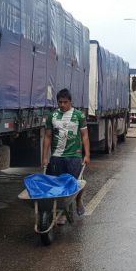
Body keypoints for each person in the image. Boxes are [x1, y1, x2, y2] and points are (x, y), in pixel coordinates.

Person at [42, 88, 90, 221]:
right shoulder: (52, 116)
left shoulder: (79, 115)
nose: (62, 105)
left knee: (77, 183)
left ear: (70, 102)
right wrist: (44, 157)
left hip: (74, 156)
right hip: (57, 157)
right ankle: (61, 211)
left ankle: (78, 201)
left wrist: (87, 154)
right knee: (58, 186)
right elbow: (47, 137)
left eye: (65, 102)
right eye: (60, 102)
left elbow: (84, 135)